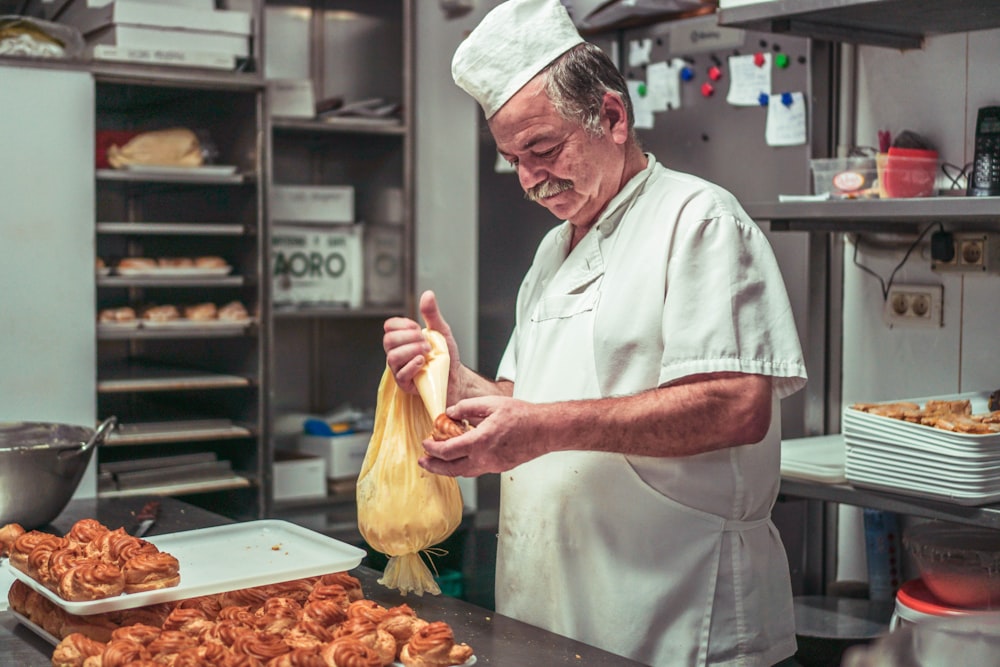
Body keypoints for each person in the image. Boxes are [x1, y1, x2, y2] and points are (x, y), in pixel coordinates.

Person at [382, 1, 808, 665]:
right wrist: (443, 372)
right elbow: (519, 401)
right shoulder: (552, 253)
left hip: (679, 612)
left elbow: (737, 404)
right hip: (554, 611)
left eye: (543, 150)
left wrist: (546, 428)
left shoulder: (697, 221)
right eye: (512, 159)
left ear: (612, 116)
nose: (528, 178)